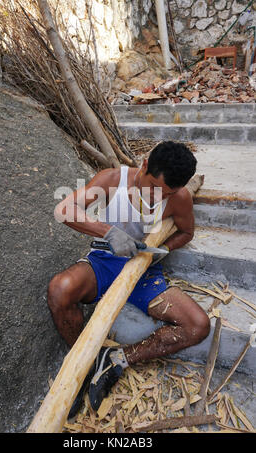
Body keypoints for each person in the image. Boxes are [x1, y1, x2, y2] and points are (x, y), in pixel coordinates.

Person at [48, 140, 210, 417]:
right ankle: (84, 363)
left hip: (143, 268)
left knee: (197, 326)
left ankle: (115, 360)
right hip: (104, 261)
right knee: (60, 290)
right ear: (144, 165)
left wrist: (162, 251)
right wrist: (108, 232)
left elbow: (186, 232)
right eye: (153, 188)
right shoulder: (114, 179)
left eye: (166, 193)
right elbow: (64, 209)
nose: (157, 197)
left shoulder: (179, 197)